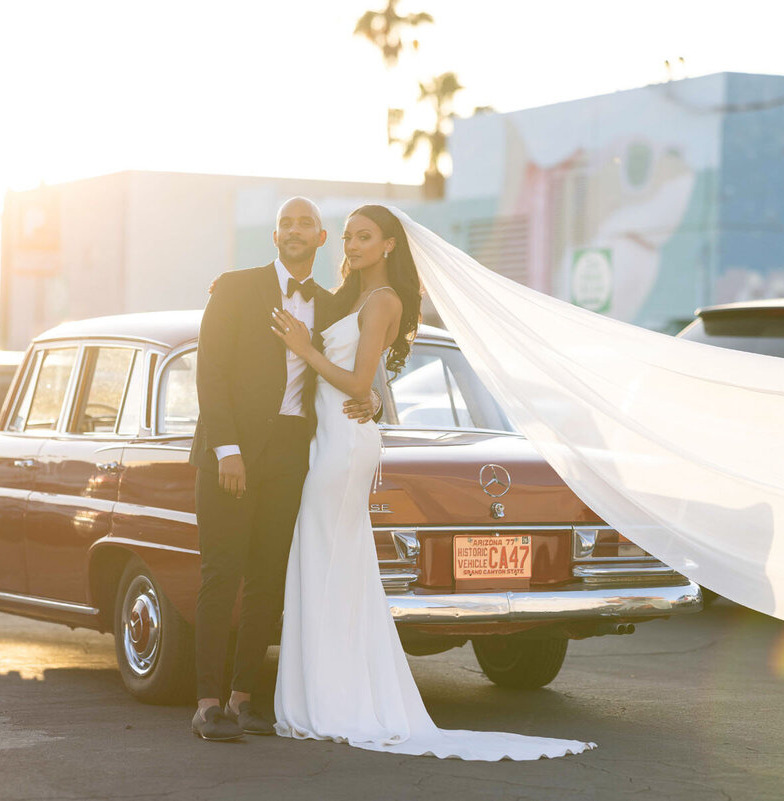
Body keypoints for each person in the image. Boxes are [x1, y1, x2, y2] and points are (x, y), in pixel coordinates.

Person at [269, 204, 595, 760]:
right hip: (328, 440)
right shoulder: (348, 298)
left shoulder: (384, 302)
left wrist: (305, 350)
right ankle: (331, 695)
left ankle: (336, 701)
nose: (351, 245)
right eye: (347, 237)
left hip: (345, 447)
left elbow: (357, 382)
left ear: (390, 245)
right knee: (329, 566)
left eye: (364, 237)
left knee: (332, 565)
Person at [188, 197, 378, 741]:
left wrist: (374, 404)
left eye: (306, 224)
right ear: (274, 238)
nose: (295, 231)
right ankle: (206, 704)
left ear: (322, 239)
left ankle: (245, 698)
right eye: (285, 224)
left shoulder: (333, 304)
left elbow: (352, 371)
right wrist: (227, 449)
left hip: (293, 457)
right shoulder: (234, 287)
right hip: (231, 455)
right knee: (221, 576)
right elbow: (212, 372)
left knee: (269, 579)